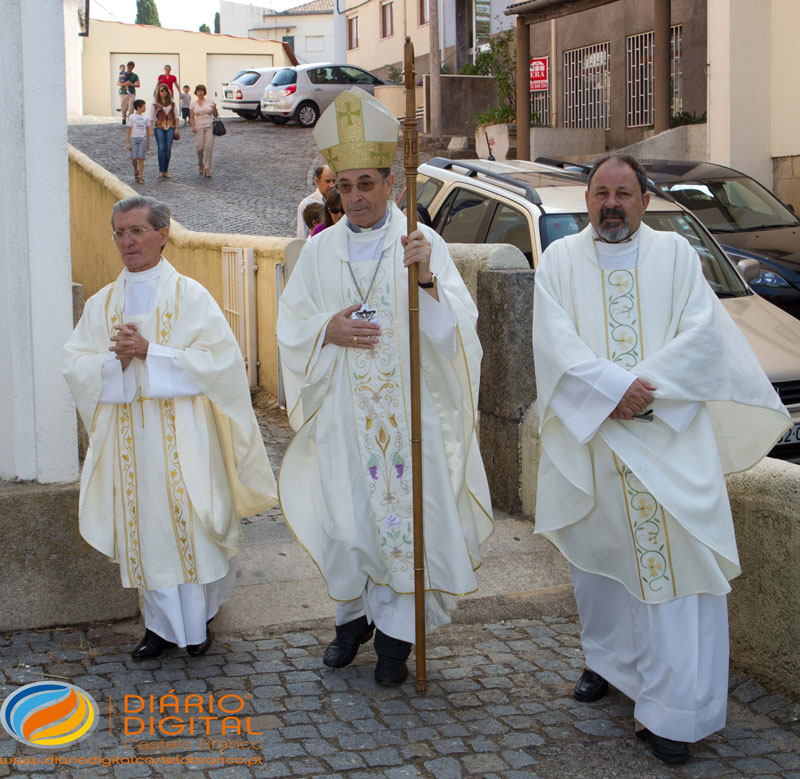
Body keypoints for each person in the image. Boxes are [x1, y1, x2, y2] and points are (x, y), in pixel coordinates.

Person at [532, 153, 790, 763]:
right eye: (601, 193)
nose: (611, 204)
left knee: (677, 577)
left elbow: (704, 336)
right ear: (586, 201)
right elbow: (554, 340)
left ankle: (674, 713)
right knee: (601, 567)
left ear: (645, 202)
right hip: (598, 439)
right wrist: (609, 391)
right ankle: (608, 664)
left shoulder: (677, 255)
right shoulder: (560, 261)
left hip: (670, 439)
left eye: (623, 193)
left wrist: (636, 389)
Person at [277, 88, 493, 686]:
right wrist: (327, 329)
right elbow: (291, 324)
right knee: (345, 517)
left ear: (392, 184)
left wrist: (426, 283)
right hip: (343, 413)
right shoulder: (320, 251)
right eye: (345, 186)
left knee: (406, 520)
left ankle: (397, 636)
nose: (355, 197)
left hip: (410, 417)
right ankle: (351, 621)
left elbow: (459, 331)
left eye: (366, 184)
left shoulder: (422, 243)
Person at [63, 195, 277, 660]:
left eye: (137, 231)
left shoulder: (191, 297)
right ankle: (158, 628)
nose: (127, 241)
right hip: (130, 442)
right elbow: (75, 365)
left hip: (187, 436)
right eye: (120, 233)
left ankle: (198, 623)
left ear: (163, 235)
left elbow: (221, 364)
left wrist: (150, 352)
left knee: (195, 524)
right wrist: (114, 363)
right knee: (147, 529)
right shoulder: (102, 304)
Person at [296, 164, 336, 238]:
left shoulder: (339, 201)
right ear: (317, 181)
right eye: (328, 181)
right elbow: (302, 237)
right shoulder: (306, 204)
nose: (332, 185)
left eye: (334, 181)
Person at [149, 84, 180, 179]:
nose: (164, 92)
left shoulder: (172, 103)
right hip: (159, 127)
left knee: (168, 149)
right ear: (158, 92)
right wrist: (151, 129)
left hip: (170, 127)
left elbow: (176, 116)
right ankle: (161, 170)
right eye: (162, 90)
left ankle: (166, 170)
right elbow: (151, 117)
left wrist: (177, 128)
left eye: (165, 90)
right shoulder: (154, 103)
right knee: (162, 148)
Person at [190, 85, 218, 178]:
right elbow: (191, 117)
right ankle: (200, 163)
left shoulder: (210, 102)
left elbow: (216, 114)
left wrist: (214, 108)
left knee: (209, 147)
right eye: (198, 91)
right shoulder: (193, 104)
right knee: (200, 147)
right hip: (198, 126)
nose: (200, 93)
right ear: (196, 93)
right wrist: (193, 126)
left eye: (202, 91)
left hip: (209, 126)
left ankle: (207, 168)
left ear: (204, 92)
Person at [125, 99, 151, 185]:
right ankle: (136, 170)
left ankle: (140, 176)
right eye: (143, 106)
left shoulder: (146, 117)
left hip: (142, 139)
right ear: (138, 107)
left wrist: (148, 142)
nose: (145, 108)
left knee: (141, 158)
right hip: (134, 138)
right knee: (134, 157)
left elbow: (147, 130)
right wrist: (127, 142)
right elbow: (129, 130)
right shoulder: (132, 117)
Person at [119, 61, 140, 126]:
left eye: (131, 68)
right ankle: (124, 117)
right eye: (129, 67)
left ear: (133, 68)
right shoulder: (123, 73)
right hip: (124, 93)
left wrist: (131, 84)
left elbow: (138, 85)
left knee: (131, 108)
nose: (130, 69)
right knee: (124, 107)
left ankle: (130, 120)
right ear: (127, 67)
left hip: (131, 93)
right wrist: (125, 84)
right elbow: (118, 83)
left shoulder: (135, 75)